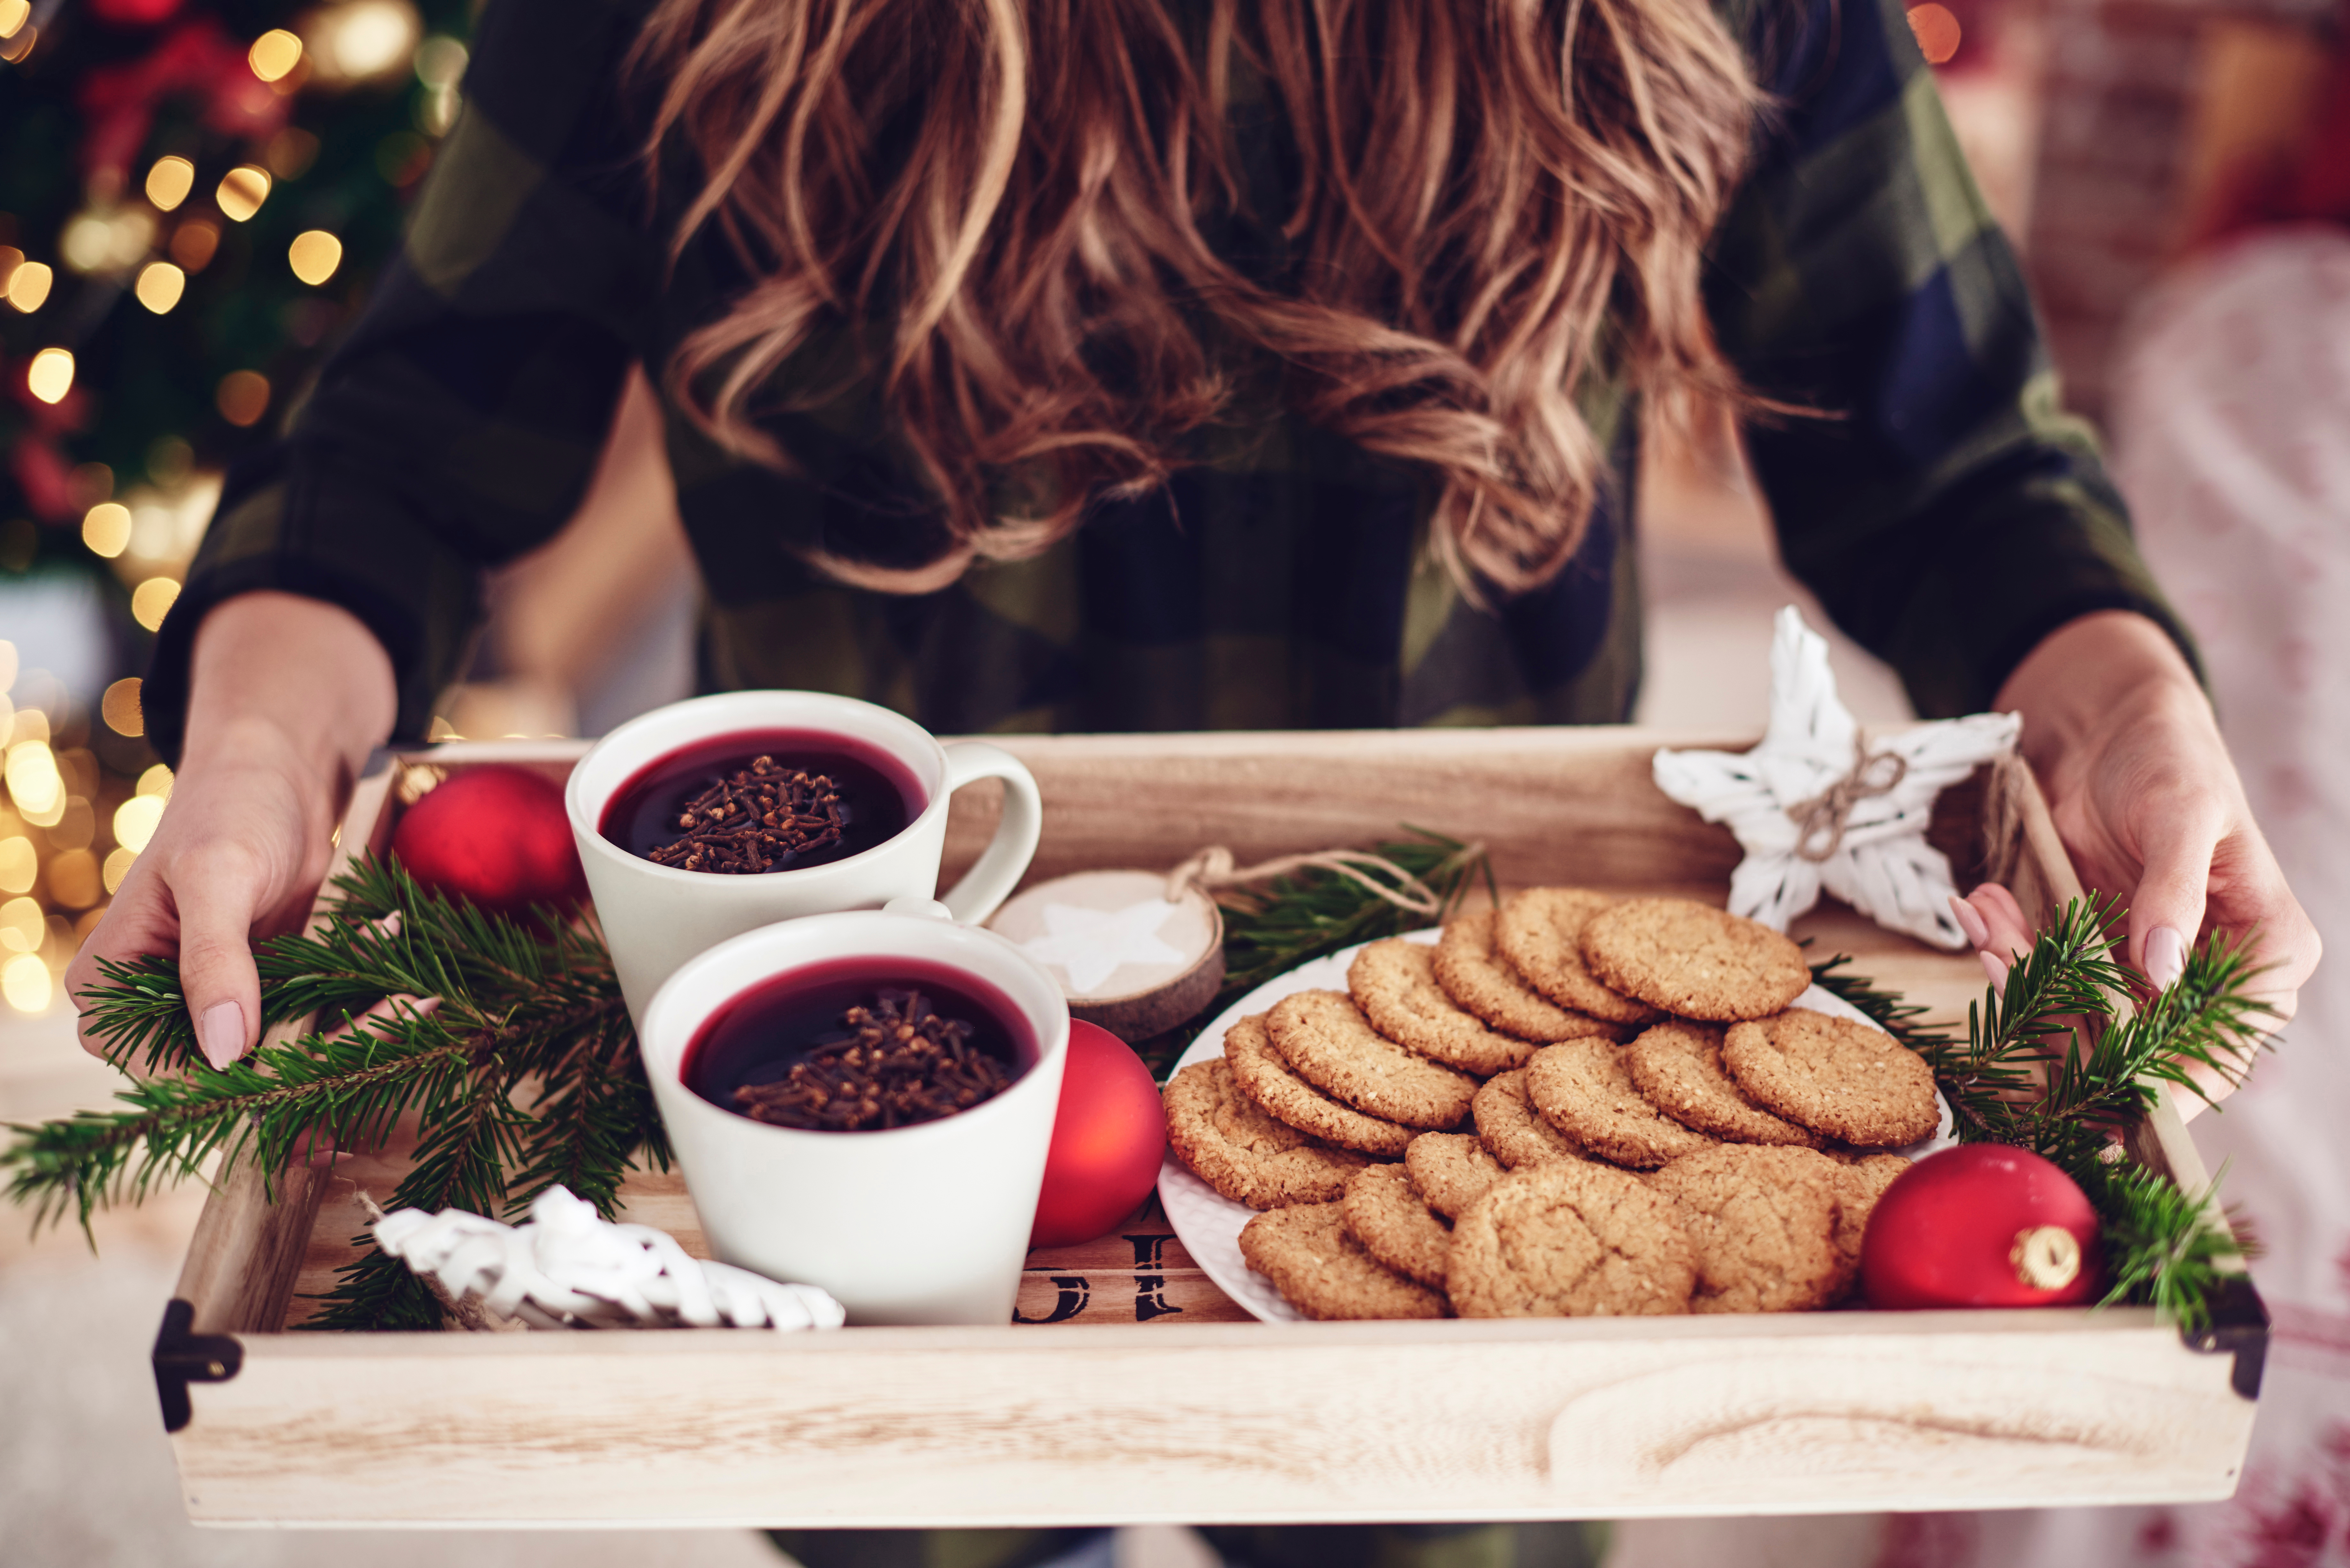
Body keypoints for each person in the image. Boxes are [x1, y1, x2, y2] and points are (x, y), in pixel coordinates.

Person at [67, 0, 2319, 1563]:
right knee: (943, 1545)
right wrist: (263, 738)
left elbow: (1953, 463)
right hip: (843, 1090)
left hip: (1456, 1044)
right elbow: (406, 447)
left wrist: (2115, 689)